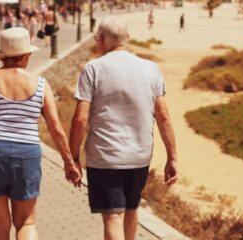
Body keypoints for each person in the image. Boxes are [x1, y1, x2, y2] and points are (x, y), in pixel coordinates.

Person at [0, 27, 81, 240]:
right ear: (27, 55)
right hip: (26, 154)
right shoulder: (40, 84)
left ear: (1, 55)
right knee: (26, 222)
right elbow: (55, 128)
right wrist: (68, 162)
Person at [69, 16, 178, 240]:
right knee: (131, 209)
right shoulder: (151, 68)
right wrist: (172, 157)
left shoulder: (93, 69)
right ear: (128, 38)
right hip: (139, 156)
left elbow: (80, 119)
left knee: (113, 217)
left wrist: (73, 158)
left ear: (100, 39)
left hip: (106, 157)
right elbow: (163, 117)